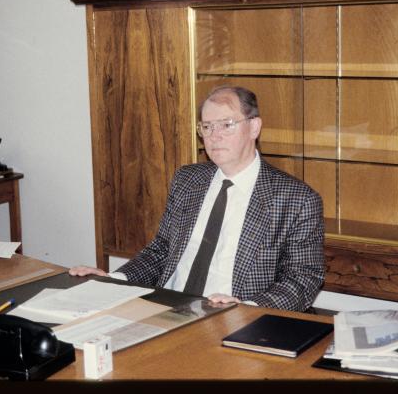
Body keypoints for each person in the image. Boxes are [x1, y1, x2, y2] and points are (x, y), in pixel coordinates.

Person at [70, 85, 325, 312]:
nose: (214, 136)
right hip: (166, 308)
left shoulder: (297, 199)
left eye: (226, 124)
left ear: (254, 127)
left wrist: (246, 308)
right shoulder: (188, 180)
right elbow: (161, 251)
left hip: (233, 318)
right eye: (207, 126)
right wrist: (113, 281)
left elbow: (303, 279)